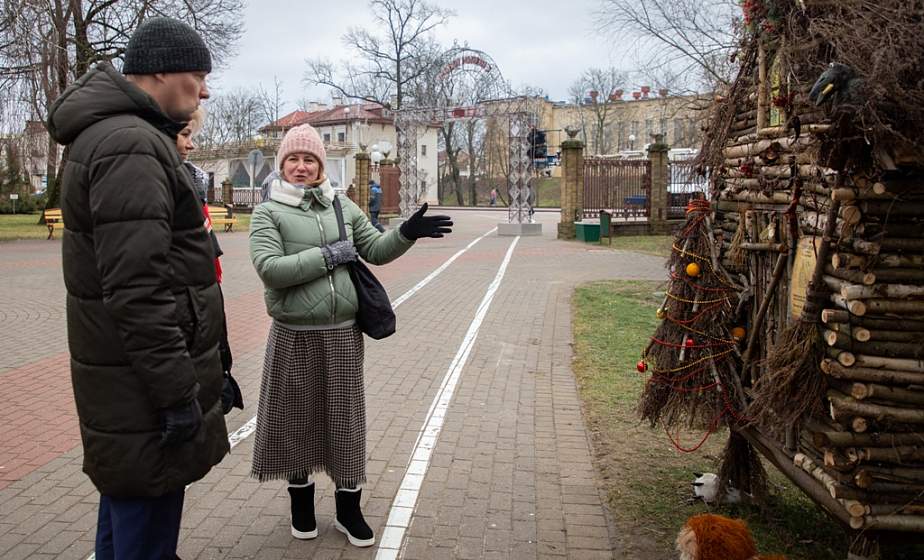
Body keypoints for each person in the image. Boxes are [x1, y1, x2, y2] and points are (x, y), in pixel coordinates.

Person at [47, 17, 230, 559]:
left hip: (133, 377)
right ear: (159, 73)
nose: (204, 90)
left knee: (130, 503)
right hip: (142, 384)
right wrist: (177, 394)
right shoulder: (129, 143)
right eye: (197, 76)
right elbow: (137, 289)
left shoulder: (127, 135)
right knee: (143, 526)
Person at [249, 124, 452, 548]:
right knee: (295, 420)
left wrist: (406, 234)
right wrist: (327, 256)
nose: (301, 167)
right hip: (293, 335)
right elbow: (270, 269)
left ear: (321, 165)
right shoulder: (268, 213)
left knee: (345, 421)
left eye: (310, 160)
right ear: (281, 165)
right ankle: (301, 508)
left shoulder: (341, 207)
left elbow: (375, 249)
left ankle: (348, 509)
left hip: (341, 335)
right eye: (293, 159)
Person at [176, 107, 244, 415]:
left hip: (204, 307)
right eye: (185, 135)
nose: (191, 145)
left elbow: (209, 264)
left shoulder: (191, 184)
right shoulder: (166, 187)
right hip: (186, 321)